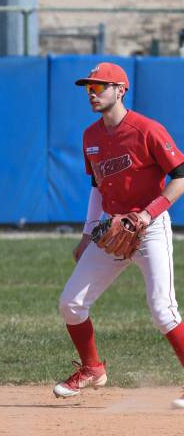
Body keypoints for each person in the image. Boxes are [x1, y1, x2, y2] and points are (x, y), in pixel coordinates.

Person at [55, 62, 184, 408]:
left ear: (121, 90)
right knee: (71, 303)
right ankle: (92, 369)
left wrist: (146, 215)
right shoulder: (91, 136)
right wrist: (86, 236)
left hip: (150, 228)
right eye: (89, 88)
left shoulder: (147, 129)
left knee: (163, 310)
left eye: (99, 87)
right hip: (111, 229)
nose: (92, 93)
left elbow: (180, 178)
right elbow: (97, 188)